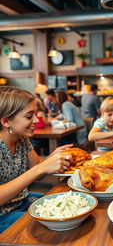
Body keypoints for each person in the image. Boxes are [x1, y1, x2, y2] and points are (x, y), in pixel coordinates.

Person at [0, 86, 72, 233]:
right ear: (6, 121)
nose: (36, 120)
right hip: (3, 215)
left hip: (22, 201)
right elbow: (38, 169)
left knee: (69, 204)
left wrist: (50, 160)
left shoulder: (22, 139)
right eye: (29, 116)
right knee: (56, 225)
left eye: (36, 114)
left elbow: (39, 169)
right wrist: (41, 168)